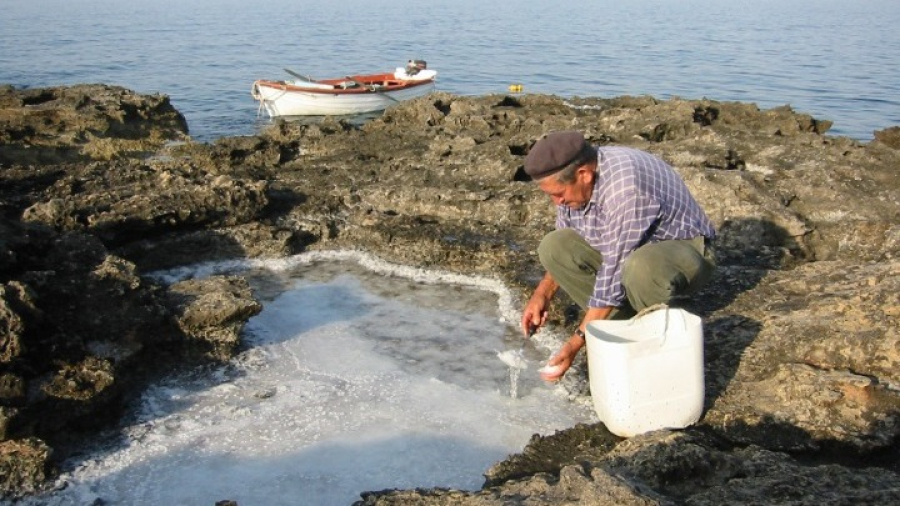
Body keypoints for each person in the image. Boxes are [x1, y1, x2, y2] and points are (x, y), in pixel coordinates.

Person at [519, 131, 716, 381]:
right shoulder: (578, 186)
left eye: (559, 194)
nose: (557, 203)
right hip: (626, 253)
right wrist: (542, 294)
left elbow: (613, 269)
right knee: (553, 246)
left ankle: (656, 343)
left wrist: (576, 344)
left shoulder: (626, 188)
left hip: (685, 252)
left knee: (640, 267)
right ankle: (624, 323)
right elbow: (568, 235)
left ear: (583, 174)